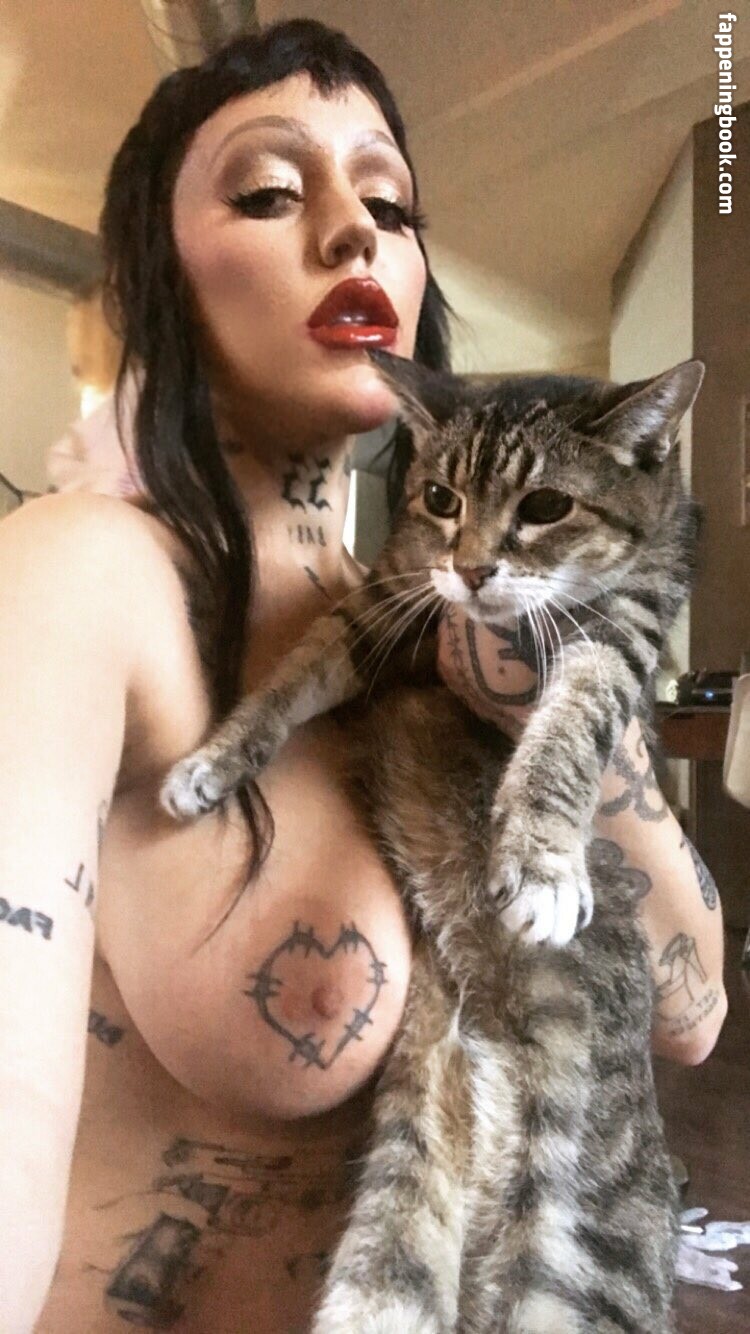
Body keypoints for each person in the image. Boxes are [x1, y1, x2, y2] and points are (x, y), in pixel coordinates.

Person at [0, 19, 726, 1333]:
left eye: (389, 204)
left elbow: (688, 1012)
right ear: (155, 277)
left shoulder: (437, 634)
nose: (352, 232)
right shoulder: (81, 575)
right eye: (268, 190)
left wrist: (570, 689)